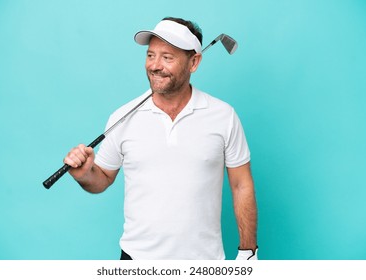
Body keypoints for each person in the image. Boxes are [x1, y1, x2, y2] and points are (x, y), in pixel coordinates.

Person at [63, 17, 258, 260]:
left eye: (167, 57)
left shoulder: (223, 116)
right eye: (150, 55)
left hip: (204, 263)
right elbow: (101, 179)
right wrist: (85, 174)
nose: (155, 65)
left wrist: (248, 252)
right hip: (136, 260)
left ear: (194, 62)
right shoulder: (122, 116)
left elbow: (241, 185)